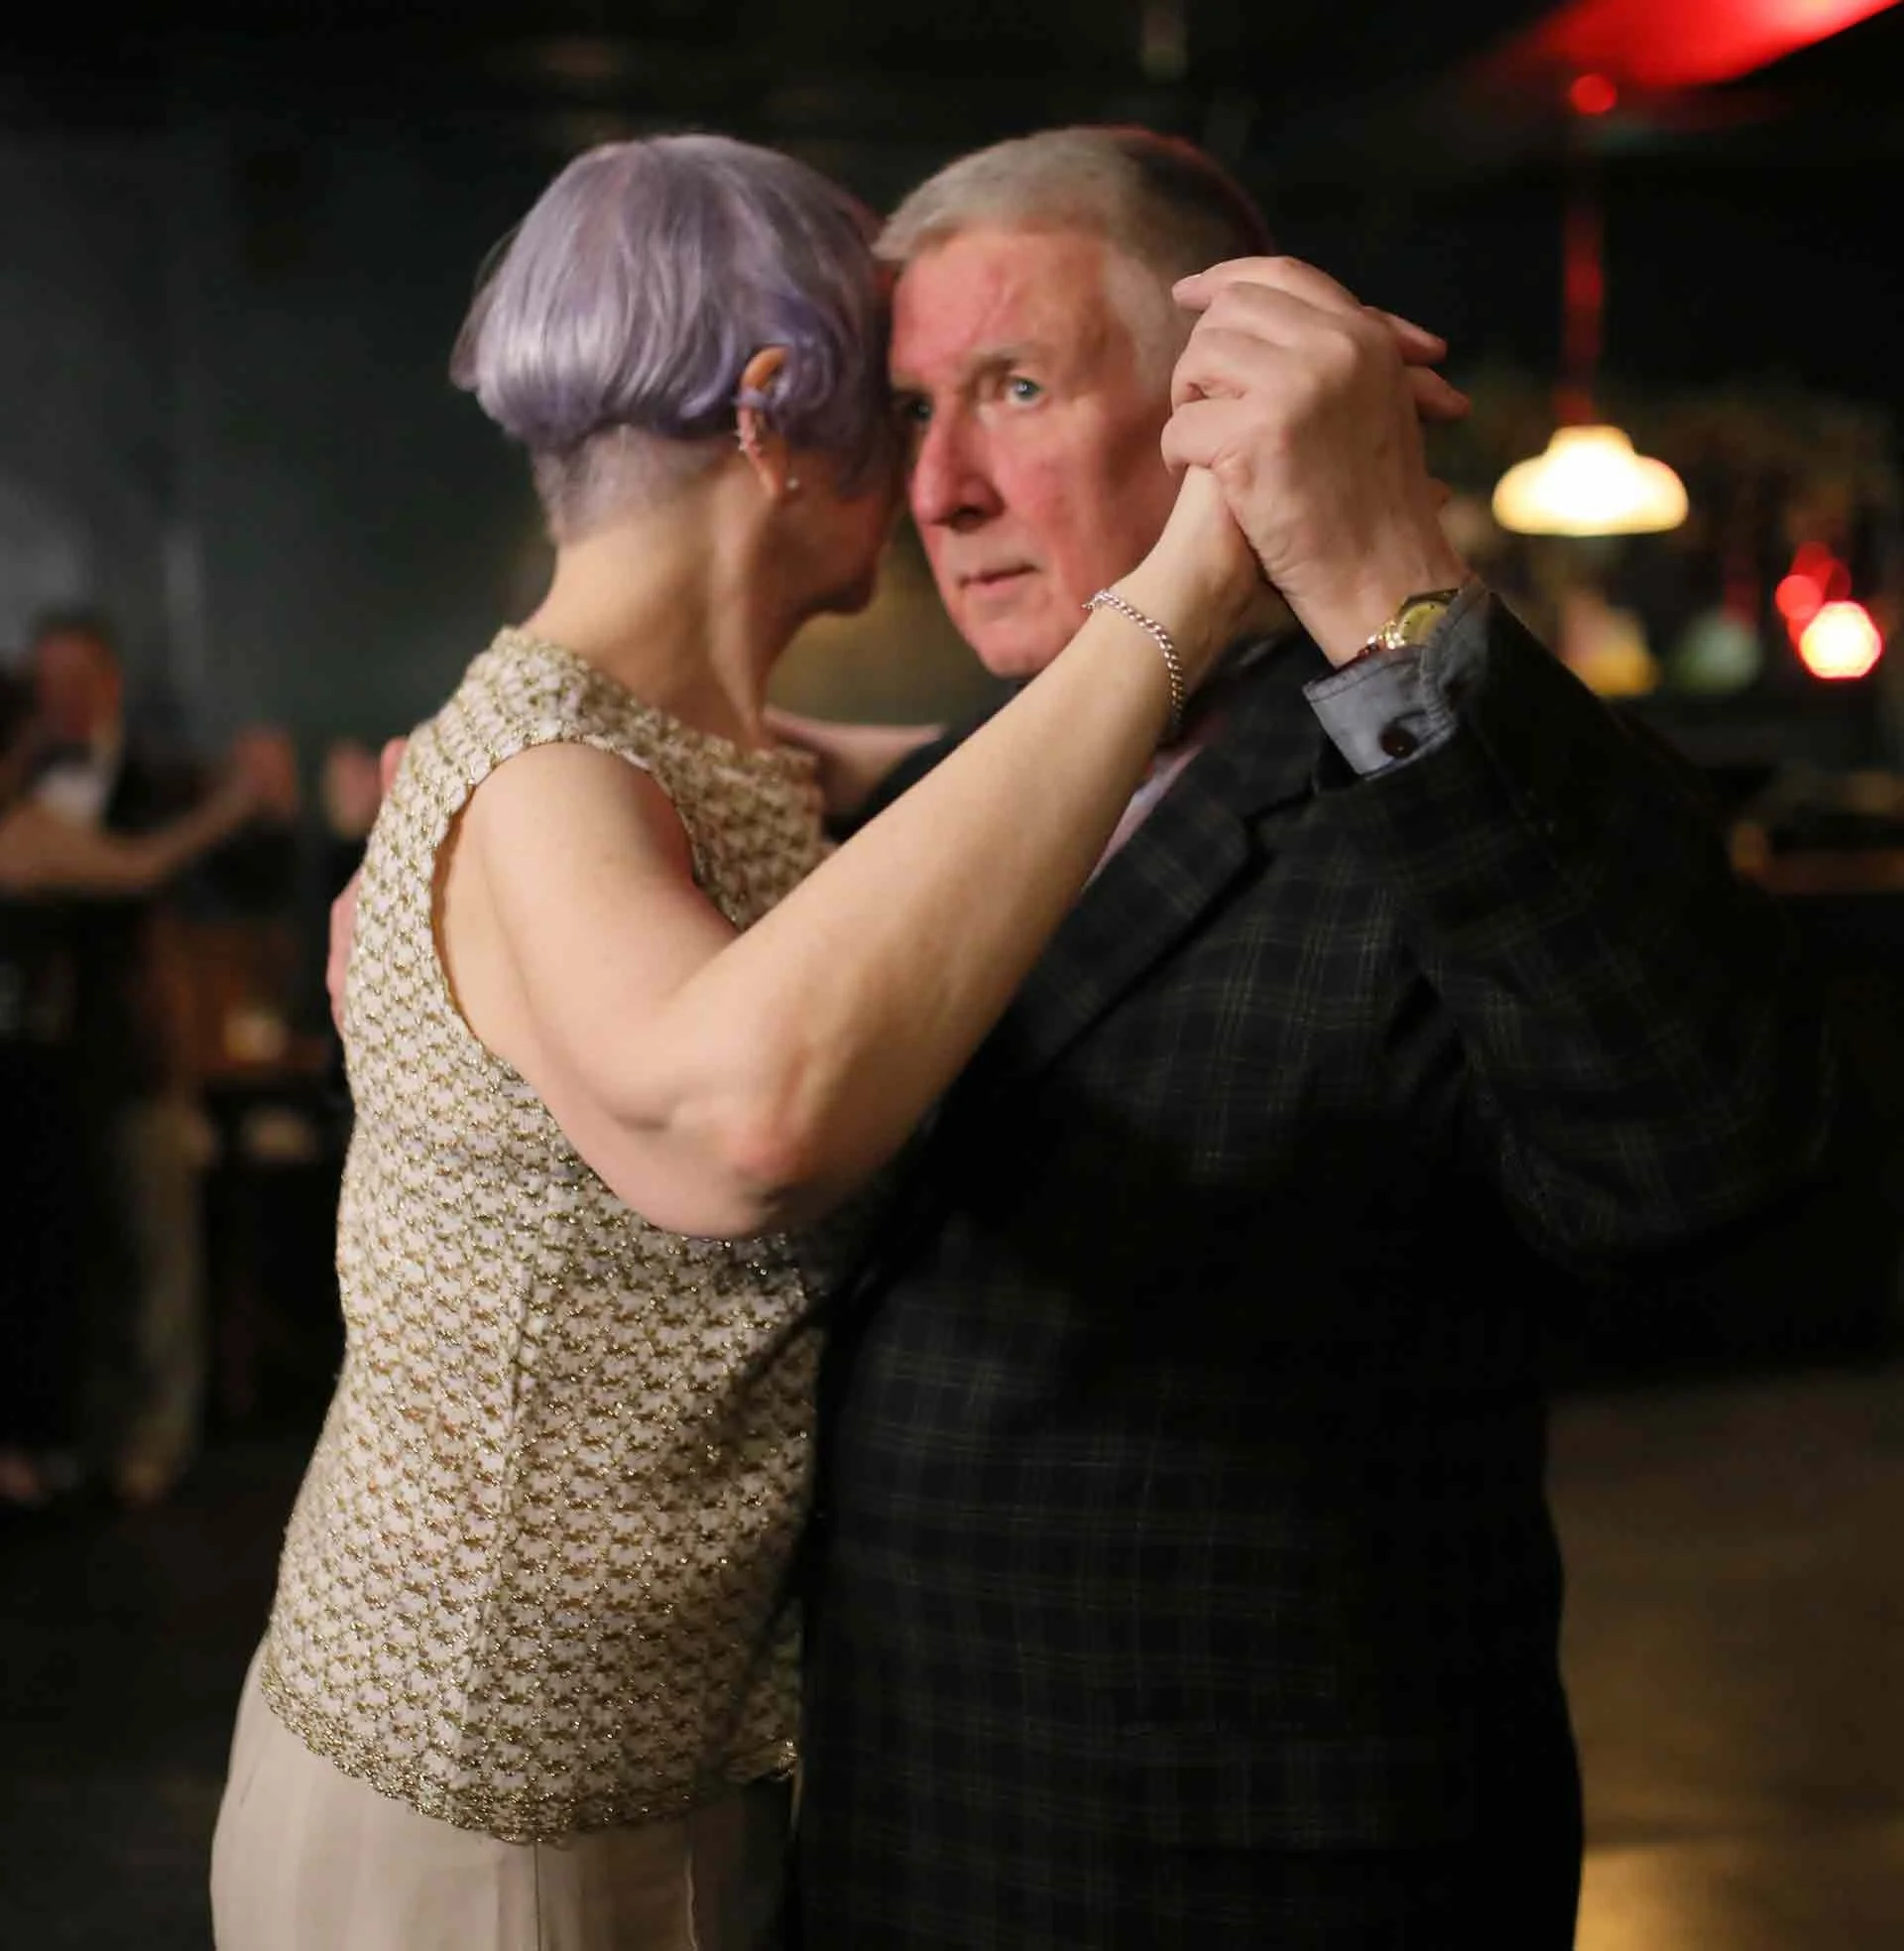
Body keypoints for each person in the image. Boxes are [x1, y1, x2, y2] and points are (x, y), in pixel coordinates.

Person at [214, 133, 1275, 1951]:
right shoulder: (550, 771)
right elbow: (745, 1124)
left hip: (668, 1774)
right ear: (782, 414)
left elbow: (871, 861)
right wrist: (1178, 600)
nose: (938, 475)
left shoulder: (693, 753)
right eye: (900, 401)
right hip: (482, 1810)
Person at [782, 128, 1837, 1946]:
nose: (939, 487)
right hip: (909, 1838)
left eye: (1016, 388)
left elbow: (1698, 1166)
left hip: (1258, 1880)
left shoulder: (1447, 772)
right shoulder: (952, 795)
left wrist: (1375, 585)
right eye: (914, 408)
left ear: (1209, 408)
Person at [0, 671, 268, 1508]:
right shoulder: (29, 827)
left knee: (84, 1265)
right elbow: (138, 868)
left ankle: (88, 1441)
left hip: (61, 1074)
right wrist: (231, 808)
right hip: (37, 1079)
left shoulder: (44, 816)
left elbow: (137, 873)